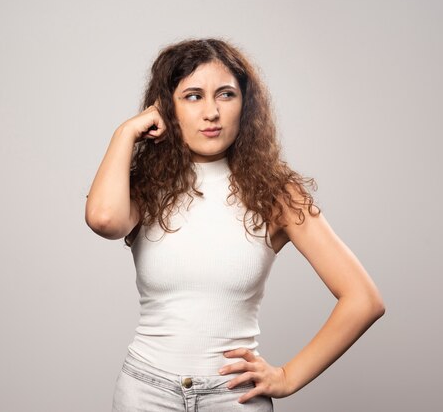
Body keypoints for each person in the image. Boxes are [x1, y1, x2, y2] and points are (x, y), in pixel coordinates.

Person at [85, 38, 385, 411]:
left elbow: (364, 300)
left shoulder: (276, 193)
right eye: (193, 96)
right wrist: (125, 133)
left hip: (234, 397)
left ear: (245, 105)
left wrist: (288, 377)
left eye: (225, 94)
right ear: (166, 108)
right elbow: (103, 219)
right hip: (147, 392)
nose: (211, 112)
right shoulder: (145, 184)